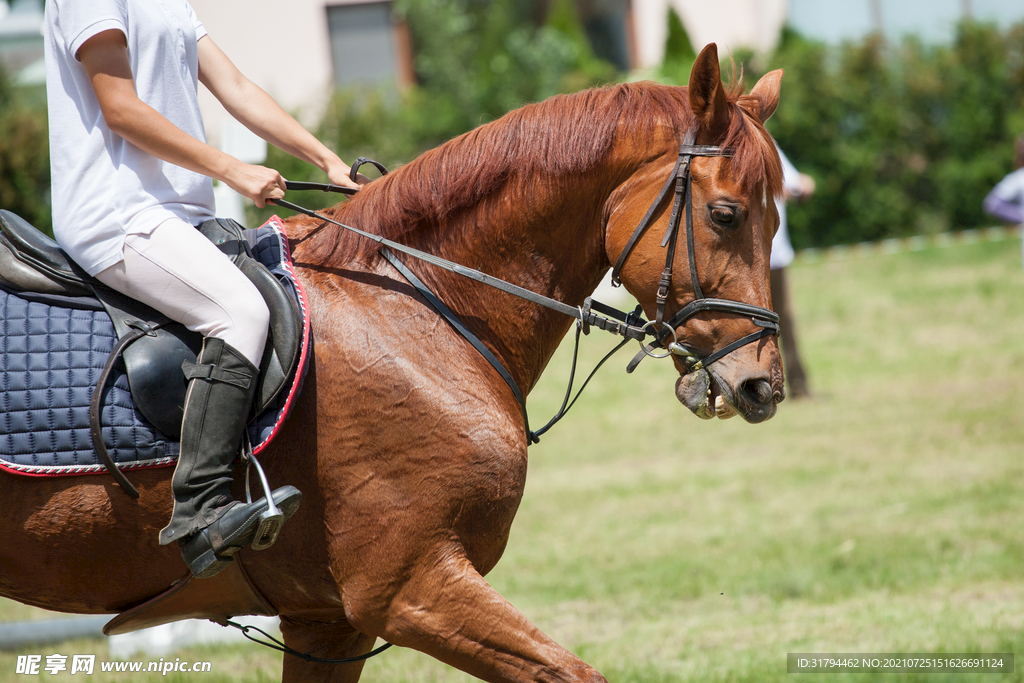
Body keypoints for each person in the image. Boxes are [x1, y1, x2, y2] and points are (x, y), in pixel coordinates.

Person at [44, 0, 361, 579]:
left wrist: (328, 161)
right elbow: (119, 108)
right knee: (239, 312)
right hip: (119, 214)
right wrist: (232, 170)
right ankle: (199, 511)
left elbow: (234, 85)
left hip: (179, 216)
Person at [771, 145, 815, 399]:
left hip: (775, 255)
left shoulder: (764, 141)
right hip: (756, 256)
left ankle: (796, 386)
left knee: (783, 321)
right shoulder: (754, 139)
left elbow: (800, 184)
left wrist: (797, 186)